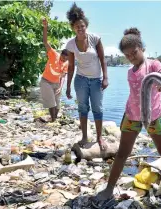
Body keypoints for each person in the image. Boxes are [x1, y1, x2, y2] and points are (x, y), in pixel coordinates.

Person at [91, 27, 161, 208]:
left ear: (142, 48)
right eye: (127, 55)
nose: (131, 57)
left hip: (154, 116)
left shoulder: (153, 65)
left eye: (134, 52)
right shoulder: (130, 72)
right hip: (132, 116)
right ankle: (109, 188)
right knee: (122, 153)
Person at [65, 3, 109, 151]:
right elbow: (71, 66)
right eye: (77, 26)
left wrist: (105, 78)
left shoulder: (95, 38)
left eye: (82, 26)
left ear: (86, 26)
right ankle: (84, 137)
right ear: (73, 27)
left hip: (96, 80)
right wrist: (68, 86)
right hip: (81, 80)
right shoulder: (71, 44)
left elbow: (103, 59)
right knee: (83, 108)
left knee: (98, 108)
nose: (80, 28)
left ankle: (99, 138)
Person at [39, 17, 68, 122]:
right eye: (63, 57)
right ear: (61, 54)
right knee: (51, 101)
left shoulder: (66, 63)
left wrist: (60, 87)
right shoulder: (53, 54)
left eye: (66, 59)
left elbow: (63, 76)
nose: (64, 60)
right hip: (46, 81)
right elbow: (45, 41)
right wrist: (45, 27)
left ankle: (54, 119)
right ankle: (53, 120)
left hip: (56, 83)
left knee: (57, 102)